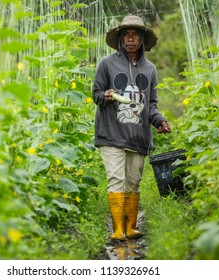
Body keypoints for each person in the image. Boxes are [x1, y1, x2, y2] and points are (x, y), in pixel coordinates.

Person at [92, 15, 171, 241]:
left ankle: (131, 227)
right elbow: (95, 94)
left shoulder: (150, 69)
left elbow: (151, 104)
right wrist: (105, 95)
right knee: (116, 180)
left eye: (135, 34)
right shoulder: (107, 64)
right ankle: (117, 230)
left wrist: (159, 120)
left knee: (133, 183)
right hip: (111, 134)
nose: (130, 39)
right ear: (120, 39)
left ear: (142, 39)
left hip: (138, 136)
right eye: (126, 34)